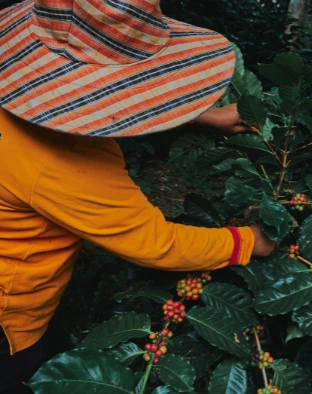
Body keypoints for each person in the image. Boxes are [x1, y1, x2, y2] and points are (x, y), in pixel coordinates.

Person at [0, 0, 276, 392]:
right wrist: (250, 241)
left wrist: (200, 114)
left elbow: (73, 97)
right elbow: (155, 243)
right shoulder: (62, 161)